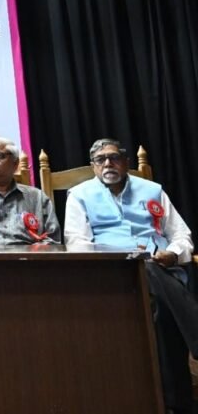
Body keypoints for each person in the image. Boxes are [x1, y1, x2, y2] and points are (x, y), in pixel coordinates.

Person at [65, 138, 198, 414]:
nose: (108, 164)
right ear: (93, 166)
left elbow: (181, 235)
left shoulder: (152, 190)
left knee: (156, 301)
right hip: (111, 273)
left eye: (114, 157)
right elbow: (77, 242)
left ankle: (168, 404)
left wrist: (173, 254)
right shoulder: (79, 195)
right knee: (145, 272)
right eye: (101, 160)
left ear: (126, 162)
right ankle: (178, 400)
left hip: (161, 268)